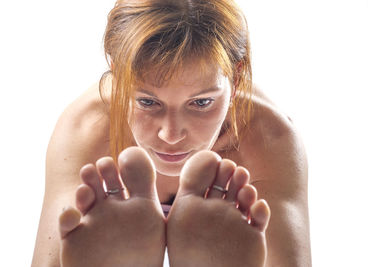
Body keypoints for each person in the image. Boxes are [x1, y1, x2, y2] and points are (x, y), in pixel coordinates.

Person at [32, 0, 311, 266]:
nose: (171, 134)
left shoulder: (269, 138)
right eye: (147, 102)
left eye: (201, 103)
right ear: (117, 78)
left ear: (236, 80)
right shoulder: (86, 130)